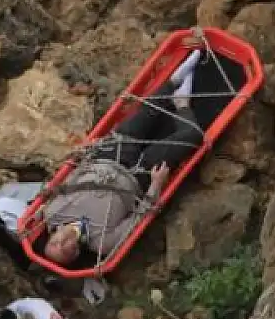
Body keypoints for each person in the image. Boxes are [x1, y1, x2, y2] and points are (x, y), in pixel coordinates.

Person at [41, 49, 208, 266]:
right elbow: (140, 217)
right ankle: (182, 104)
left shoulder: (53, 212)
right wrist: (156, 186)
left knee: (146, 113)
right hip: (138, 175)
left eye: (54, 243)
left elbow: (68, 179)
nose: (61, 243)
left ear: (51, 236)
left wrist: (84, 154)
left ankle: (175, 80)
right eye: (63, 250)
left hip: (106, 157)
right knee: (191, 136)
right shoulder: (103, 242)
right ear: (75, 254)